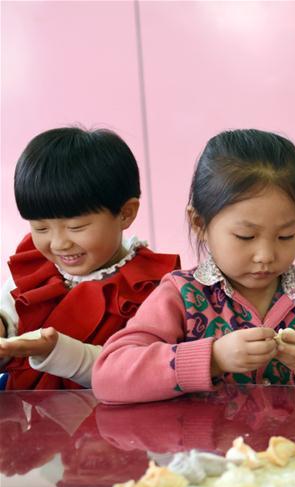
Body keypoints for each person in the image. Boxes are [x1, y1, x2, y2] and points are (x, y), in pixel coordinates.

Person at [93, 129, 295, 404]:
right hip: (202, 448)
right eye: (245, 237)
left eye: (286, 236)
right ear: (199, 224)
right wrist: (213, 359)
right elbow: (109, 378)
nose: (265, 255)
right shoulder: (181, 295)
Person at [0, 127, 180, 390]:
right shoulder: (35, 264)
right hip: (28, 420)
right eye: (40, 228)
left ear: (125, 214)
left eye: (76, 227)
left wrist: (58, 351)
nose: (59, 243)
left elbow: (142, 370)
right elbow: (9, 311)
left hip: (108, 424)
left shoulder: (153, 286)